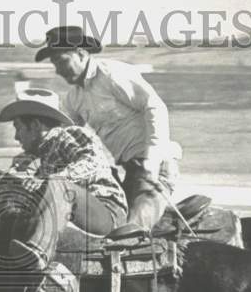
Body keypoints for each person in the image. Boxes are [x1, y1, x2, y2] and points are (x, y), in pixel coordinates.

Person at [35, 25, 182, 238]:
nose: (58, 70)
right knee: (109, 226)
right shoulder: (73, 99)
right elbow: (63, 136)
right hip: (129, 172)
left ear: (81, 53)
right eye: (55, 63)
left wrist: (152, 161)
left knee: (130, 233)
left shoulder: (113, 74)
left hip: (155, 168)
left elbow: (155, 107)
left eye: (62, 61)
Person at [0, 87, 128, 292]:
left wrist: (53, 179)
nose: (16, 137)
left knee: (55, 186)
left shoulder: (71, 135)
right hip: (78, 212)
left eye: (19, 128)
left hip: (106, 211)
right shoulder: (42, 156)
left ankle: (37, 254)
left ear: (35, 126)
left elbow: (93, 162)